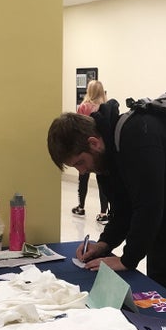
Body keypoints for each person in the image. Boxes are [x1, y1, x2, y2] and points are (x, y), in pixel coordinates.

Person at [47, 97, 166, 313]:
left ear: (94, 143)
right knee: (164, 304)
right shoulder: (106, 157)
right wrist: (104, 244)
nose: (82, 172)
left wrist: (128, 259)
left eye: (80, 163)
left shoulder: (138, 135)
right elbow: (123, 208)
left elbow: (149, 204)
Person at [72, 79, 110, 223]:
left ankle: (81, 207)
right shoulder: (104, 107)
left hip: (84, 149)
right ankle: (103, 212)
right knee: (102, 182)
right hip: (99, 148)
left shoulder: (83, 107)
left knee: (83, 178)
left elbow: (77, 129)